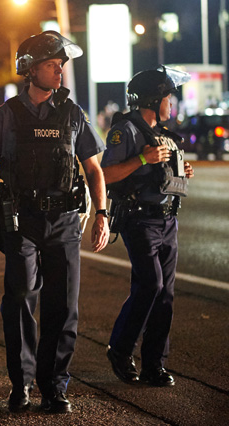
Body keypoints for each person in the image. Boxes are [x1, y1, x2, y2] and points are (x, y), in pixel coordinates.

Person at [0, 31, 109, 414]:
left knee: (62, 308)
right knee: (19, 301)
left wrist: (101, 214)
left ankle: (55, 386)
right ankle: (22, 384)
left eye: (61, 65)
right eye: (52, 65)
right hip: (21, 223)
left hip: (65, 222)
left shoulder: (73, 113)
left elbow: (93, 169)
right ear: (30, 69)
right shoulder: (6, 116)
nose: (59, 71)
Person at [102, 66, 194, 388]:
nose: (172, 104)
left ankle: (155, 364)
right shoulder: (125, 131)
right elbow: (105, 175)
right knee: (150, 284)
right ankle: (121, 350)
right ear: (155, 100)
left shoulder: (165, 134)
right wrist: (142, 160)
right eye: (168, 97)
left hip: (167, 219)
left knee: (165, 293)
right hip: (138, 218)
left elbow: (164, 175)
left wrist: (181, 172)